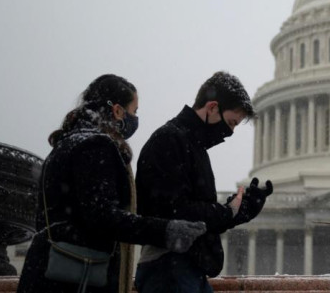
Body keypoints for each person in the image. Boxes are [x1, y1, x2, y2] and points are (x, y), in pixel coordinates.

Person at [17, 74, 207, 293]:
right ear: (117, 111)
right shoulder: (96, 146)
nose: (135, 118)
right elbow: (103, 217)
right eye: (134, 111)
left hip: (48, 270)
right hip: (76, 277)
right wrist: (165, 230)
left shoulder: (66, 144)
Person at [134, 71, 272, 293]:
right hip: (169, 265)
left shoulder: (191, 146)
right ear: (212, 107)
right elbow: (176, 210)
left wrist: (239, 210)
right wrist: (227, 213)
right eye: (230, 123)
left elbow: (196, 214)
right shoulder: (170, 140)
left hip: (188, 266)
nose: (230, 133)